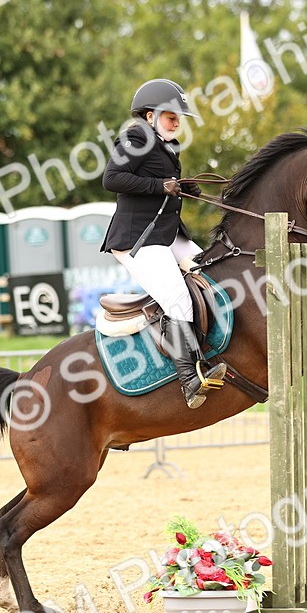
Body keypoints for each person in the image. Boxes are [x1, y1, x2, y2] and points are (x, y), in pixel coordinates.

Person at [101, 78, 226, 409]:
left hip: (168, 235)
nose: (177, 122)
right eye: (171, 116)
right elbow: (111, 179)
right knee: (178, 299)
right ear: (149, 115)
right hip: (138, 240)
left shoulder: (169, 145)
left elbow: (163, 182)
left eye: (178, 117)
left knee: (215, 272)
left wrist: (184, 187)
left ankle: (208, 348)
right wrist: (161, 186)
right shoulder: (136, 135)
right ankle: (189, 379)